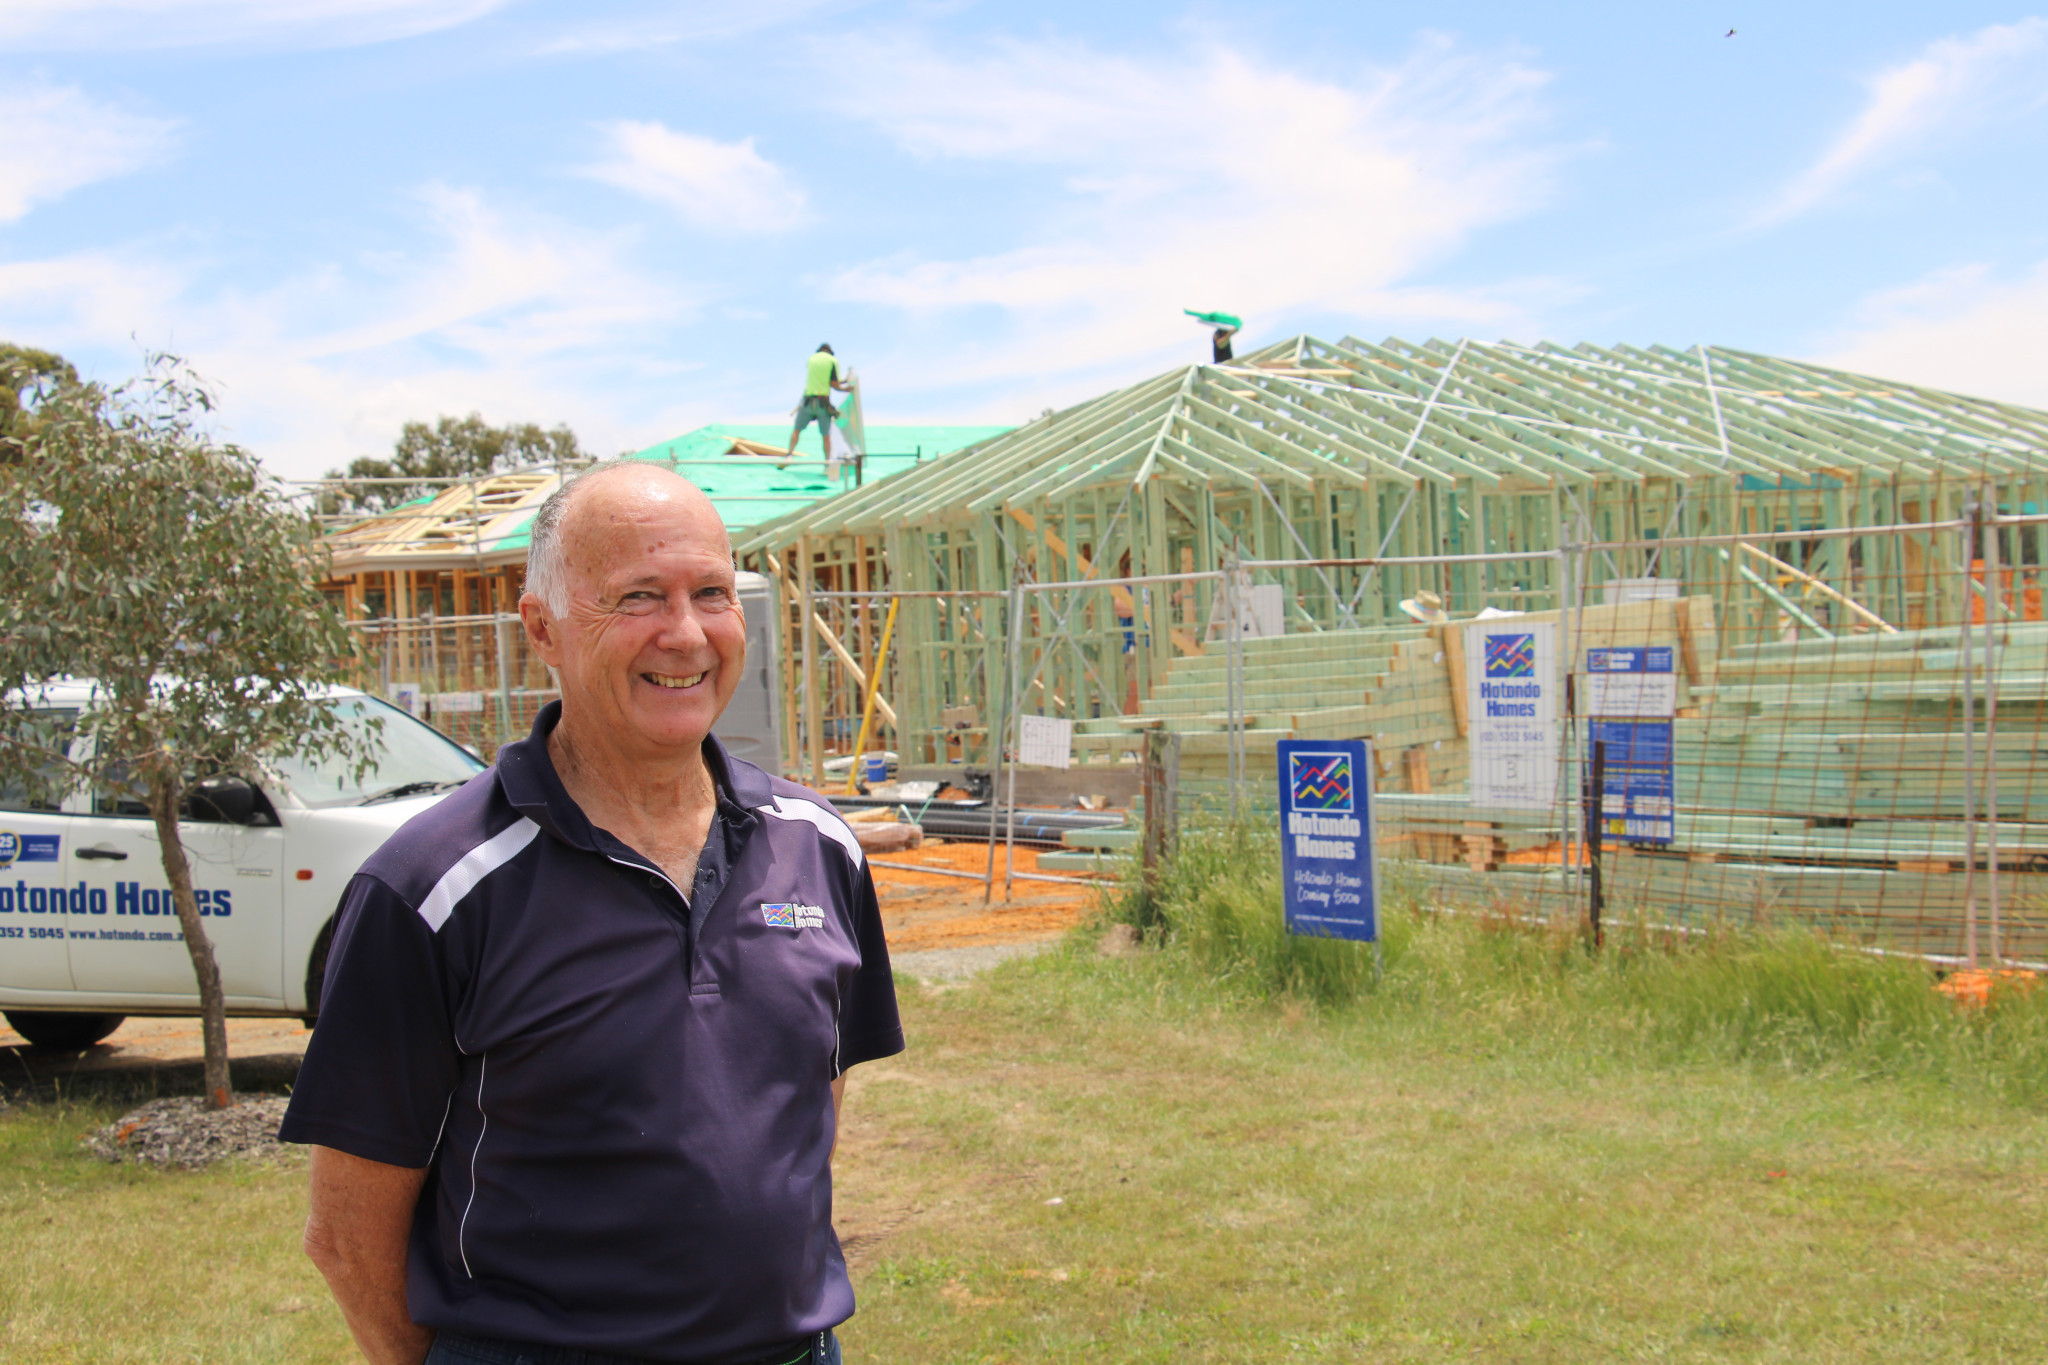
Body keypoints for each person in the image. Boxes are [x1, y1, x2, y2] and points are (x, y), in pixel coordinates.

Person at [281, 462, 902, 1365]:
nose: (685, 634)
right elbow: (346, 1235)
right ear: (544, 628)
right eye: (639, 596)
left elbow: (806, 1115)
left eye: (712, 593)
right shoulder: (432, 888)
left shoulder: (818, 848)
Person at [786, 344, 851, 462]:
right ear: (830, 352)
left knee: (797, 430)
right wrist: (847, 388)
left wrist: (843, 381)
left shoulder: (811, 359)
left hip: (807, 402)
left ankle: (788, 455)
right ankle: (827, 462)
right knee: (826, 436)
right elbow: (834, 384)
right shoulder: (832, 360)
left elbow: (822, 380)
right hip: (822, 403)